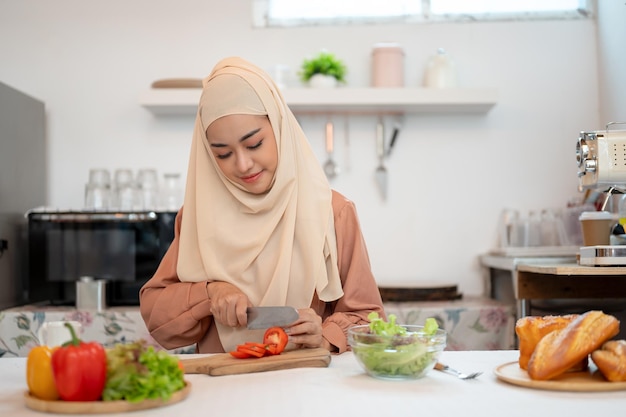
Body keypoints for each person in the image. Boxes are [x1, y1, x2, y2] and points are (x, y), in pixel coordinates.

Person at [139, 57, 385, 354]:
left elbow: (371, 321)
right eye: (223, 154)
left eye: (254, 144)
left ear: (280, 129)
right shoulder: (196, 218)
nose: (242, 165)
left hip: (306, 387)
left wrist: (325, 334)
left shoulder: (332, 212)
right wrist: (209, 293)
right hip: (223, 390)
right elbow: (156, 317)